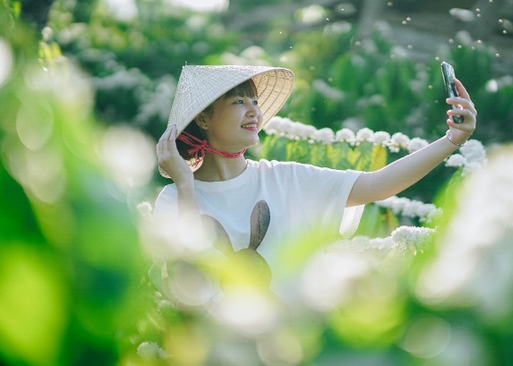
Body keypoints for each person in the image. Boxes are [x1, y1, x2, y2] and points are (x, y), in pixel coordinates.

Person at [154, 64, 477, 297]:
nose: (254, 112)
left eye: (255, 102)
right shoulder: (174, 199)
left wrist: (452, 139)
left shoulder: (285, 178)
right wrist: (185, 184)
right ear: (203, 118)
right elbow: (186, 277)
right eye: (239, 102)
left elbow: (377, 185)